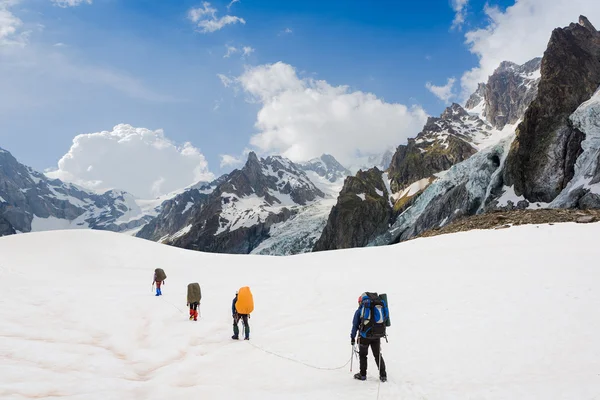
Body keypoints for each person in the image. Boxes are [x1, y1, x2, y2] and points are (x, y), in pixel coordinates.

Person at [351, 294, 387, 382]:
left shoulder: (359, 311)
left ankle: (363, 375)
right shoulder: (378, 308)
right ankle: (383, 375)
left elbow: (355, 325)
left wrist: (352, 337)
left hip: (364, 336)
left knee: (363, 355)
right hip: (376, 334)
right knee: (377, 355)